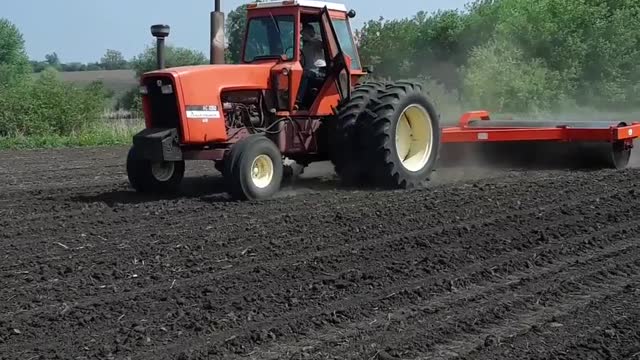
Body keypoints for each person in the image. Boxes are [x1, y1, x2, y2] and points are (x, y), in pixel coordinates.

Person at [296, 23, 326, 106]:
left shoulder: (317, 42)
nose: (302, 35)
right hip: (308, 70)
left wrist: (309, 38)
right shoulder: (304, 46)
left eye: (303, 33)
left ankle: (298, 99)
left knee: (306, 74)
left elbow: (323, 45)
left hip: (320, 71)